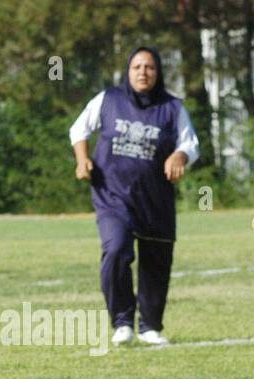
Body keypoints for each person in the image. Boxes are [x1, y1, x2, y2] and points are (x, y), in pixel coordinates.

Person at [70, 46, 200, 348]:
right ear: (128, 71)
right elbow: (79, 129)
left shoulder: (172, 108)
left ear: (159, 73)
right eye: (137, 67)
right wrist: (82, 159)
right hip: (112, 195)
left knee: (156, 261)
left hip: (155, 198)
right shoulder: (109, 99)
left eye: (150, 67)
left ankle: (150, 327)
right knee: (116, 250)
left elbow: (190, 144)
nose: (143, 72)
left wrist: (179, 156)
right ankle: (122, 322)